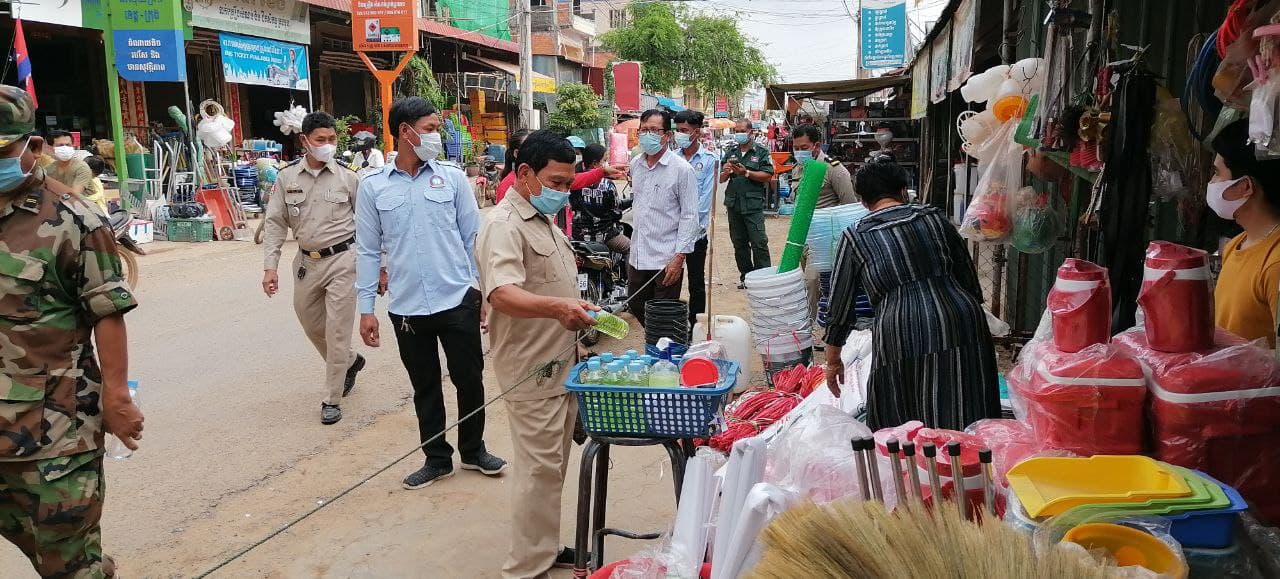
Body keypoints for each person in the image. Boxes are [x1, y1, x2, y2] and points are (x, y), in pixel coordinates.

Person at [0, 86, 144, 577]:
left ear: (31, 147)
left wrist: (117, 397)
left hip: (53, 432)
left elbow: (107, 310)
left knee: (68, 564)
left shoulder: (74, 218)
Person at [355, 97, 507, 489]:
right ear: (405, 131)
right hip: (406, 305)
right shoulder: (373, 188)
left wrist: (484, 293)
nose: (436, 136)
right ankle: (436, 458)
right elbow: (369, 250)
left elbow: (473, 238)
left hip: (457, 297)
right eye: (430, 128)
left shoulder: (453, 179)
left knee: (469, 378)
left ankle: (473, 451)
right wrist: (366, 308)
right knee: (424, 386)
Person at [476, 130, 599, 577]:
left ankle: (542, 549)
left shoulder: (539, 218)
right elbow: (502, 293)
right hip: (531, 370)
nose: (564, 193)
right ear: (524, 174)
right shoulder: (504, 224)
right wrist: (559, 307)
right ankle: (526, 568)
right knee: (537, 471)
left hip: (560, 365)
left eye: (569, 183)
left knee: (551, 469)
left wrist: (575, 307)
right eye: (557, 183)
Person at [823, 156, 1000, 431]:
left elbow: (839, 308)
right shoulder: (934, 218)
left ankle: (916, 470)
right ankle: (972, 468)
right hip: (961, 317)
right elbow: (967, 278)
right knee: (968, 406)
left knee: (904, 420)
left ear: (863, 202)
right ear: (904, 192)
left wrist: (833, 361)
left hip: (900, 328)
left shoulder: (855, 236)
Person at [261, 111, 366, 425]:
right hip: (307, 261)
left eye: (332, 139)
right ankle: (349, 361)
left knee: (336, 330)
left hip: (343, 260)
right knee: (311, 323)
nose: (328, 145)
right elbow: (275, 223)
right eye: (321, 140)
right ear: (304, 141)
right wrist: (270, 267)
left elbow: (370, 225)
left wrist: (380, 266)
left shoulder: (349, 177)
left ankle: (331, 398)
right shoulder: (287, 177)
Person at [1209, 119, 1280, 347]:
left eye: (1217, 173)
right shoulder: (1236, 244)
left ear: (1245, 186)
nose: (1211, 182)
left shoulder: (1275, 263)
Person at [628, 108, 700, 327]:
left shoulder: (681, 170)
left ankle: (666, 351)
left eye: (654, 130)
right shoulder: (636, 165)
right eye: (644, 130)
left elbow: (690, 215)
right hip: (639, 253)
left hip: (666, 256)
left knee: (662, 312)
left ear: (667, 136)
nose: (648, 135)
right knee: (636, 302)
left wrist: (679, 257)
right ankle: (664, 341)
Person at [674, 110, 720, 326]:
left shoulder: (711, 161)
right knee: (669, 281)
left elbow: (704, 203)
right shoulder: (672, 159)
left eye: (684, 131)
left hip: (696, 234)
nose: (679, 134)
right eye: (677, 130)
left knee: (696, 283)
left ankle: (696, 326)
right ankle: (671, 325)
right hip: (671, 233)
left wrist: (688, 226)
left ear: (697, 132)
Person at [496, 131, 626, 204]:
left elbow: (576, 180)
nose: (563, 192)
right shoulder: (509, 188)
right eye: (556, 182)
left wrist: (602, 171)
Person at [721, 118, 774, 287]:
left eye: (742, 130)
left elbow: (768, 175)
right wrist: (725, 171)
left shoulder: (760, 152)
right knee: (739, 243)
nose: (739, 134)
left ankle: (763, 278)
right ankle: (747, 277)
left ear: (750, 132)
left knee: (759, 242)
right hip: (733, 204)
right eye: (736, 131)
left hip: (752, 205)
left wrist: (746, 173)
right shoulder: (731, 151)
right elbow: (721, 179)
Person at [570, 143, 631, 255]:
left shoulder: (571, 180)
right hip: (605, 236)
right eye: (604, 160)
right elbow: (616, 211)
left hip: (577, 236)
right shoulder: (607, 185)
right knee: (632, 250)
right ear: (595, 163)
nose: (606, 164)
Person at [791, 124, 856, 209]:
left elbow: (850, 206)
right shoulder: (797, 168)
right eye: (796, 148)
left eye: (804, 148)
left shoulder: (834, 169)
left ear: (817, 146)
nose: (799, 152)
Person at [44, 130, 94, 196]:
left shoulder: (81, 167)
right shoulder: (48, 169)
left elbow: (75, 195)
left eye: (68, 145)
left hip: (80, 204)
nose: (65, 148)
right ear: (51, 148)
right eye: (60, 145)